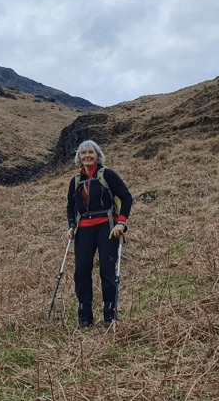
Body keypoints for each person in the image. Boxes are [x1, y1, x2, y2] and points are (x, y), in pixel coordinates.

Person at [66, 139, 133, 328]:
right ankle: (85, 317)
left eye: (91, 152)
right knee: (81, 272)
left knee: (107, 270)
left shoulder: (107, 174)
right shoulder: (76, 181)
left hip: (107, 227)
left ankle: (110, 315)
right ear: (79, 157)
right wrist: (71, 225)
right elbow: (70, 206)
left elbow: (126, 197)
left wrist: (121, 223)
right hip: (84, 229)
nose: (87, 156)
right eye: (83, 153)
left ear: (97, 155)